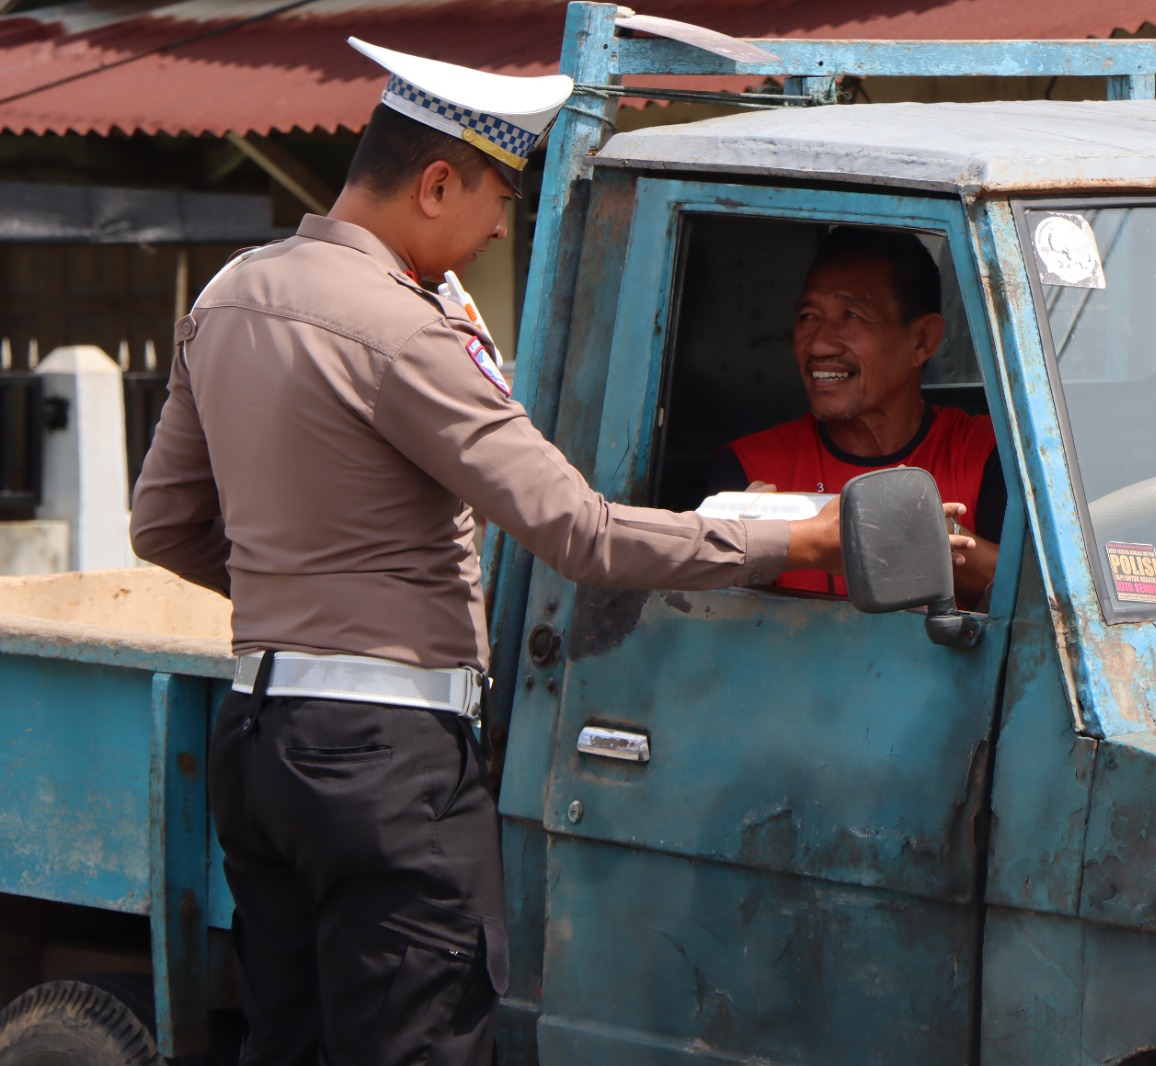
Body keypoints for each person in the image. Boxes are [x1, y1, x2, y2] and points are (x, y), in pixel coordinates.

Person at [128, 40, 888, 1066]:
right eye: (499, 196)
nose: (499, 224)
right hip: (386, 764)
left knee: (292, 1044)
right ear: (438, 181)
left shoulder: (228, 295)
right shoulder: (405, 333)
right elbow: (579, 530)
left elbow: (162, 527)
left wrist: (307, 590)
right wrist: (794, 534)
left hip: (260, 737)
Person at [709, 226, 1005, 608]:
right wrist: (757, 545)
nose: (818, 343)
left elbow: (1031, 597)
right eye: (807, 315)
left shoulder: (987, 453)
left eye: (851, 315)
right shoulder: (749, 467)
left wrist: (925, 533)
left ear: (922, 340)